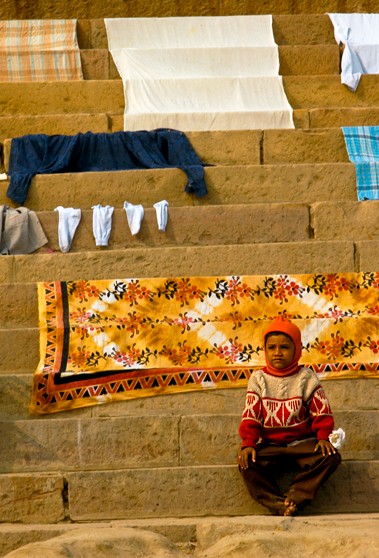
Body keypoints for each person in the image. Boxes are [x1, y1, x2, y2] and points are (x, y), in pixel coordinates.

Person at [238, 315, 341, 516]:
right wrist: (248, 443)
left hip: (302, 443)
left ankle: (296, 496)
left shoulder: (306, 377)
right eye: (272, 348)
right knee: (246, 463)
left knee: (331, 457)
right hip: (271, 446)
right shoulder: (258, 379)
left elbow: (321, 411)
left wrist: (323, 437)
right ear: (265, 350)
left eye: (284, 347)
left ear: (297, 350)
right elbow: (251, 414)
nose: (277, 353)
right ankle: (278, 503)